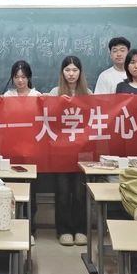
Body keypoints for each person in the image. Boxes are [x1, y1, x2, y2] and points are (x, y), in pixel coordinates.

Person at [49, 55, 90, 246]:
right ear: (62, 72)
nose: (71, 74)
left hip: (83, 151)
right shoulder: (54, 92)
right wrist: (58, 104)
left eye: (75, 70)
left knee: (80, 192)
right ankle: (64, 230)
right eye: (67, 70)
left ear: (80, 72)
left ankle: (80, 229)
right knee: (63, 191)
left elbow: (93, 122)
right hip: (61, 151)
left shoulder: (88, 93)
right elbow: (47, 120)